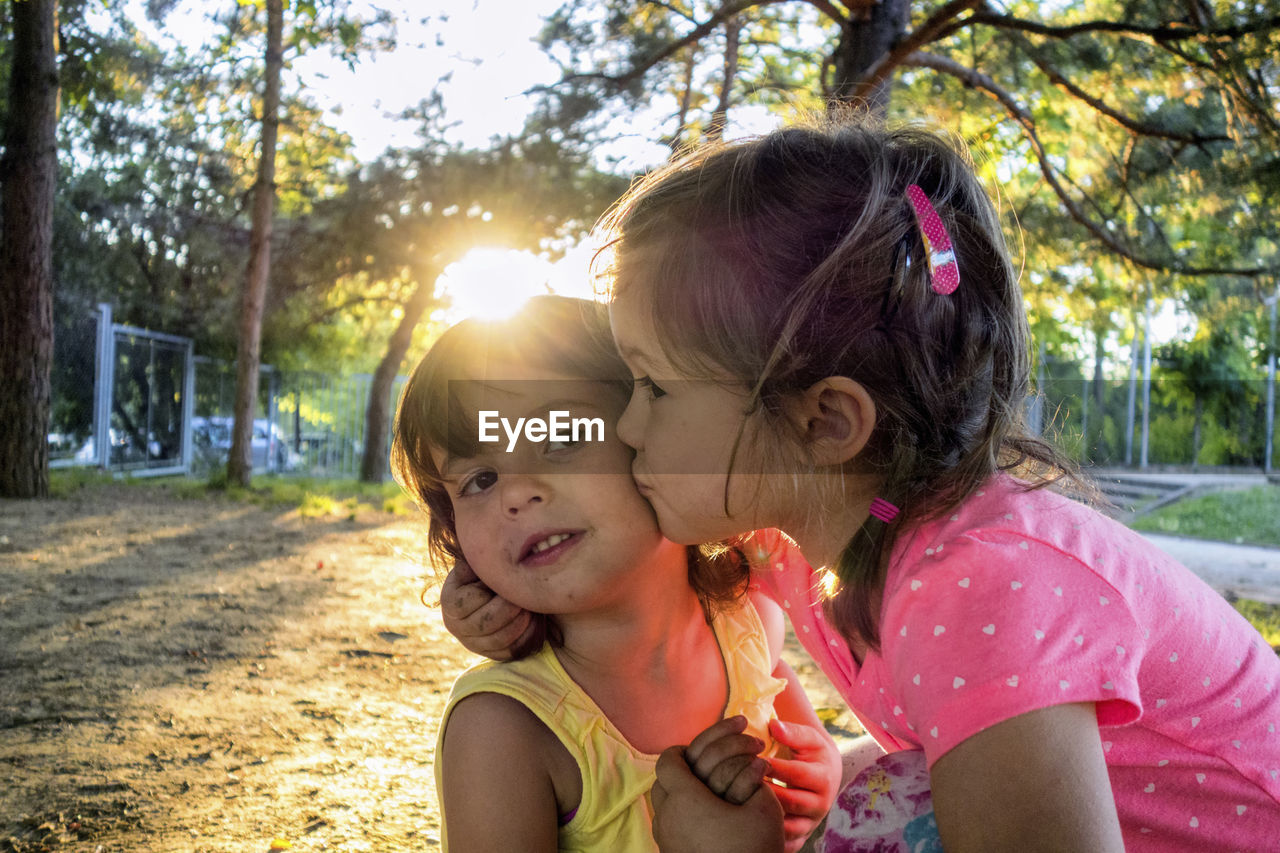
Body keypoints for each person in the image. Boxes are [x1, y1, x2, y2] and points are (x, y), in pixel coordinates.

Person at [440, 119, 1280, 852]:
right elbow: (644, 546)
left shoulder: (975, 584)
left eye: (653, 387)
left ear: (823, 422)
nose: (625, 428)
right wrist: (488, 586)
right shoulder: (828, 518)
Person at [391, 295, 841, 852]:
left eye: (559, 437)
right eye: (480, 479)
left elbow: (806, 749)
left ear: (655, 436)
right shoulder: (504, 732)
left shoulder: (748, 621)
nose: (517, 491)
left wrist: (820, 783)